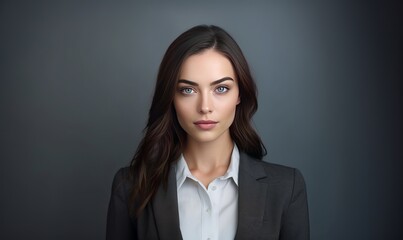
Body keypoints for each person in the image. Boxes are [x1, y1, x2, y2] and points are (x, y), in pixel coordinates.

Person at [106, 25, 309, 240]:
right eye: (188, 90)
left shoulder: (287, 188)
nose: (205, 106)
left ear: (240, 94)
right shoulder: (130, 187)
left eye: (221, 88)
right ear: (171, 97)